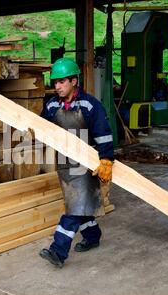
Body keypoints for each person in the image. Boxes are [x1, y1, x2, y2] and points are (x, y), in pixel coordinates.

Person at [38, 57, 115, 268]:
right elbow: (42, 128)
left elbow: (104, 135)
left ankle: (58, 250)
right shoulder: (52, 105)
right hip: (63, 164)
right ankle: (92, 236)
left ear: (74, 81)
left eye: (62, 82)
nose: (57, 86)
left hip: (87, 164)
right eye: (55, 82)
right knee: (80, 205)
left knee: (74, 209)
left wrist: (106, 159)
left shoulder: (91, 105)